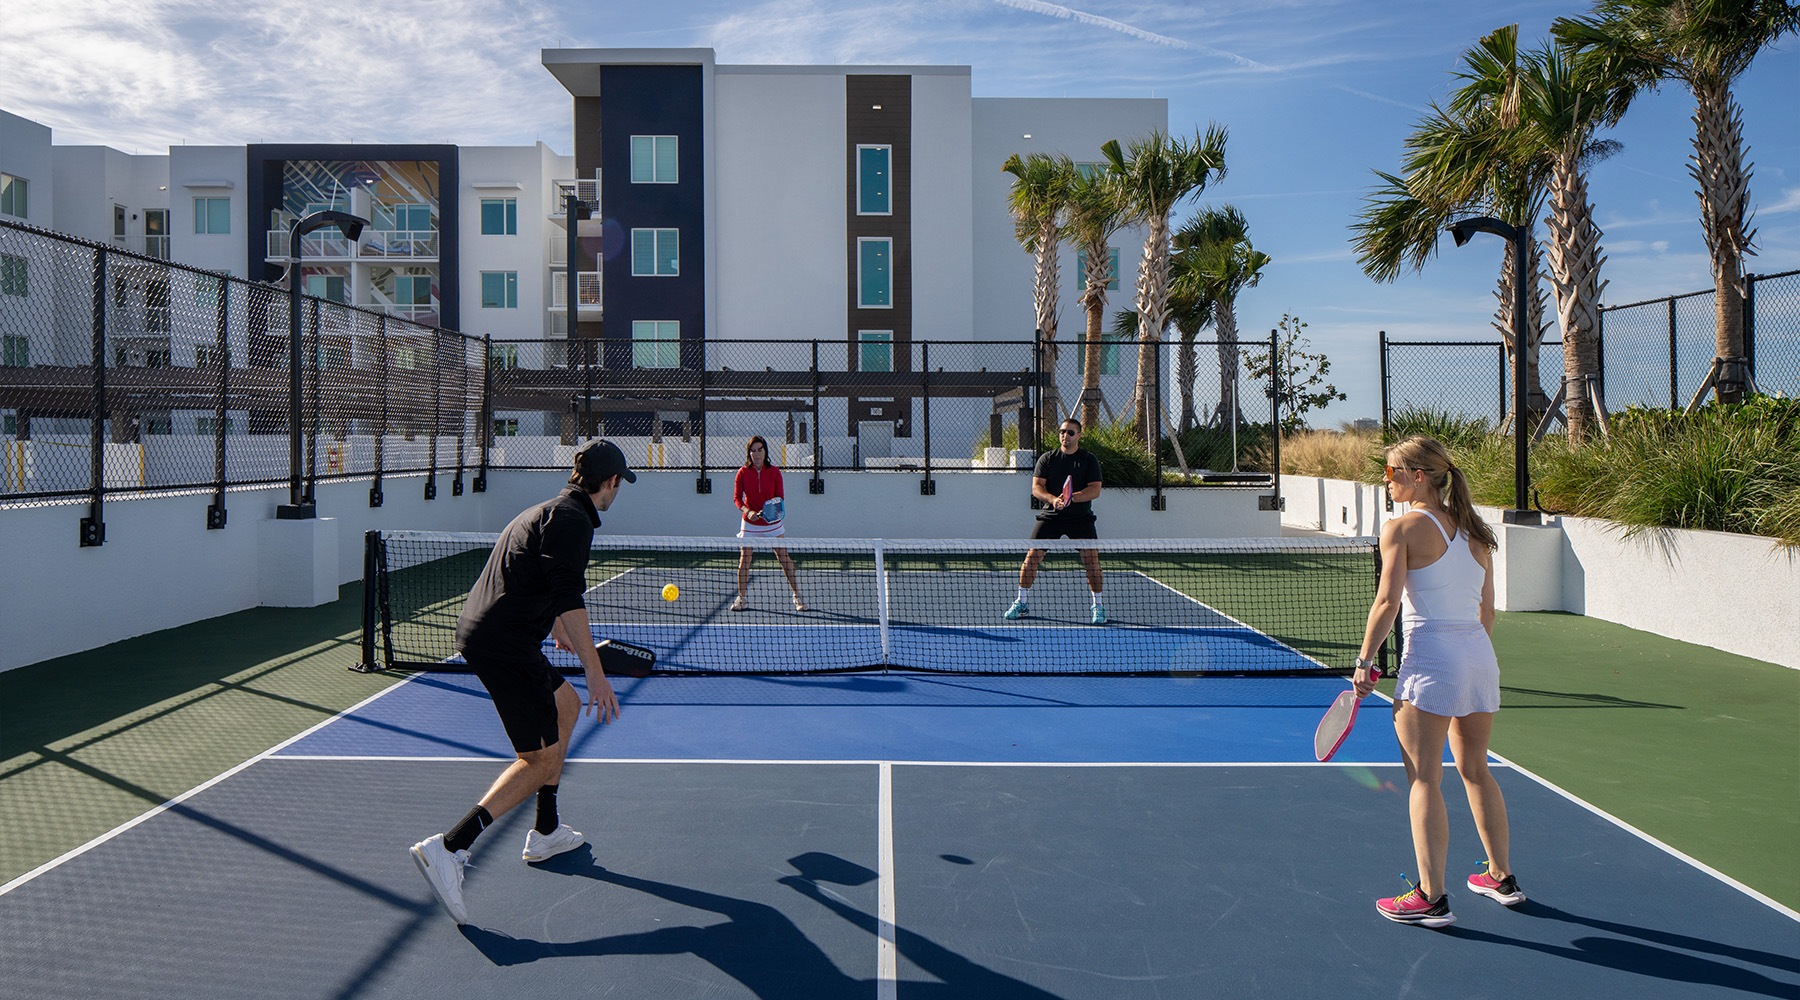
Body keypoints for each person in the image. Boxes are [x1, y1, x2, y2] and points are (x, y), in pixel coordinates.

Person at [409, 438, 634, 925]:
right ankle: (449, 847)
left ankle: (546, 831)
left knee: (565, 706)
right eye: (620, 483)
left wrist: (552, 623)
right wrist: (596, 673)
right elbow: (569, 594)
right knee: (538, 759)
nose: (619, 491)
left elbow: (535, 576)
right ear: (610, 481)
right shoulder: (574, 521)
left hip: (495, 634)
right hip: (505, 643)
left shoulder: (546, 511)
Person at [1354, 435, 1522, 929]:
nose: (1386, 480)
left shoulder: (1401, 529)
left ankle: (1431, 897)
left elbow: (1388, 603)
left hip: (1432, 659)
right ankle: (1501, 877)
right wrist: (1467, 656)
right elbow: (1487, 612)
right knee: (1476, 770)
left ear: (1418, 476)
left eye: (1391, 472)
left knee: (1425, 778)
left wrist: (1364, 661)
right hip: (1479, 657)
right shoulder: (1476, 531)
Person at [1004, 416, 1105, 625]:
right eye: (1062, 431)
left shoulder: (1088, 460)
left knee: (1091, 561)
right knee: (1032, 557)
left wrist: (1071, 498)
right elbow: (1036, 487)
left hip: (1081, 518)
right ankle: (1021, 602)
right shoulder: (1047, 459)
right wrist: (1053, 500)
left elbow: (1095, 490)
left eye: (1070, 432)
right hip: (1051, 517)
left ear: (1079, 435)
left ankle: (1098, 606)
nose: (1065, 435)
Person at [731, 434, 807, 612]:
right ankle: (742, 598)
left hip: (772, 522)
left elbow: (780, 498)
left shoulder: (774, 472)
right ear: (749, 453)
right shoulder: (742, 473)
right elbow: (737, 499)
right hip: (749, 523)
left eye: (760, 450)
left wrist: (768, 513)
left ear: (765, 452)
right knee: (745, 558)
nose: (757, 454)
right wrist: (748, 512)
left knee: (783, 556)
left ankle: (797, 596)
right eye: (753, 451)